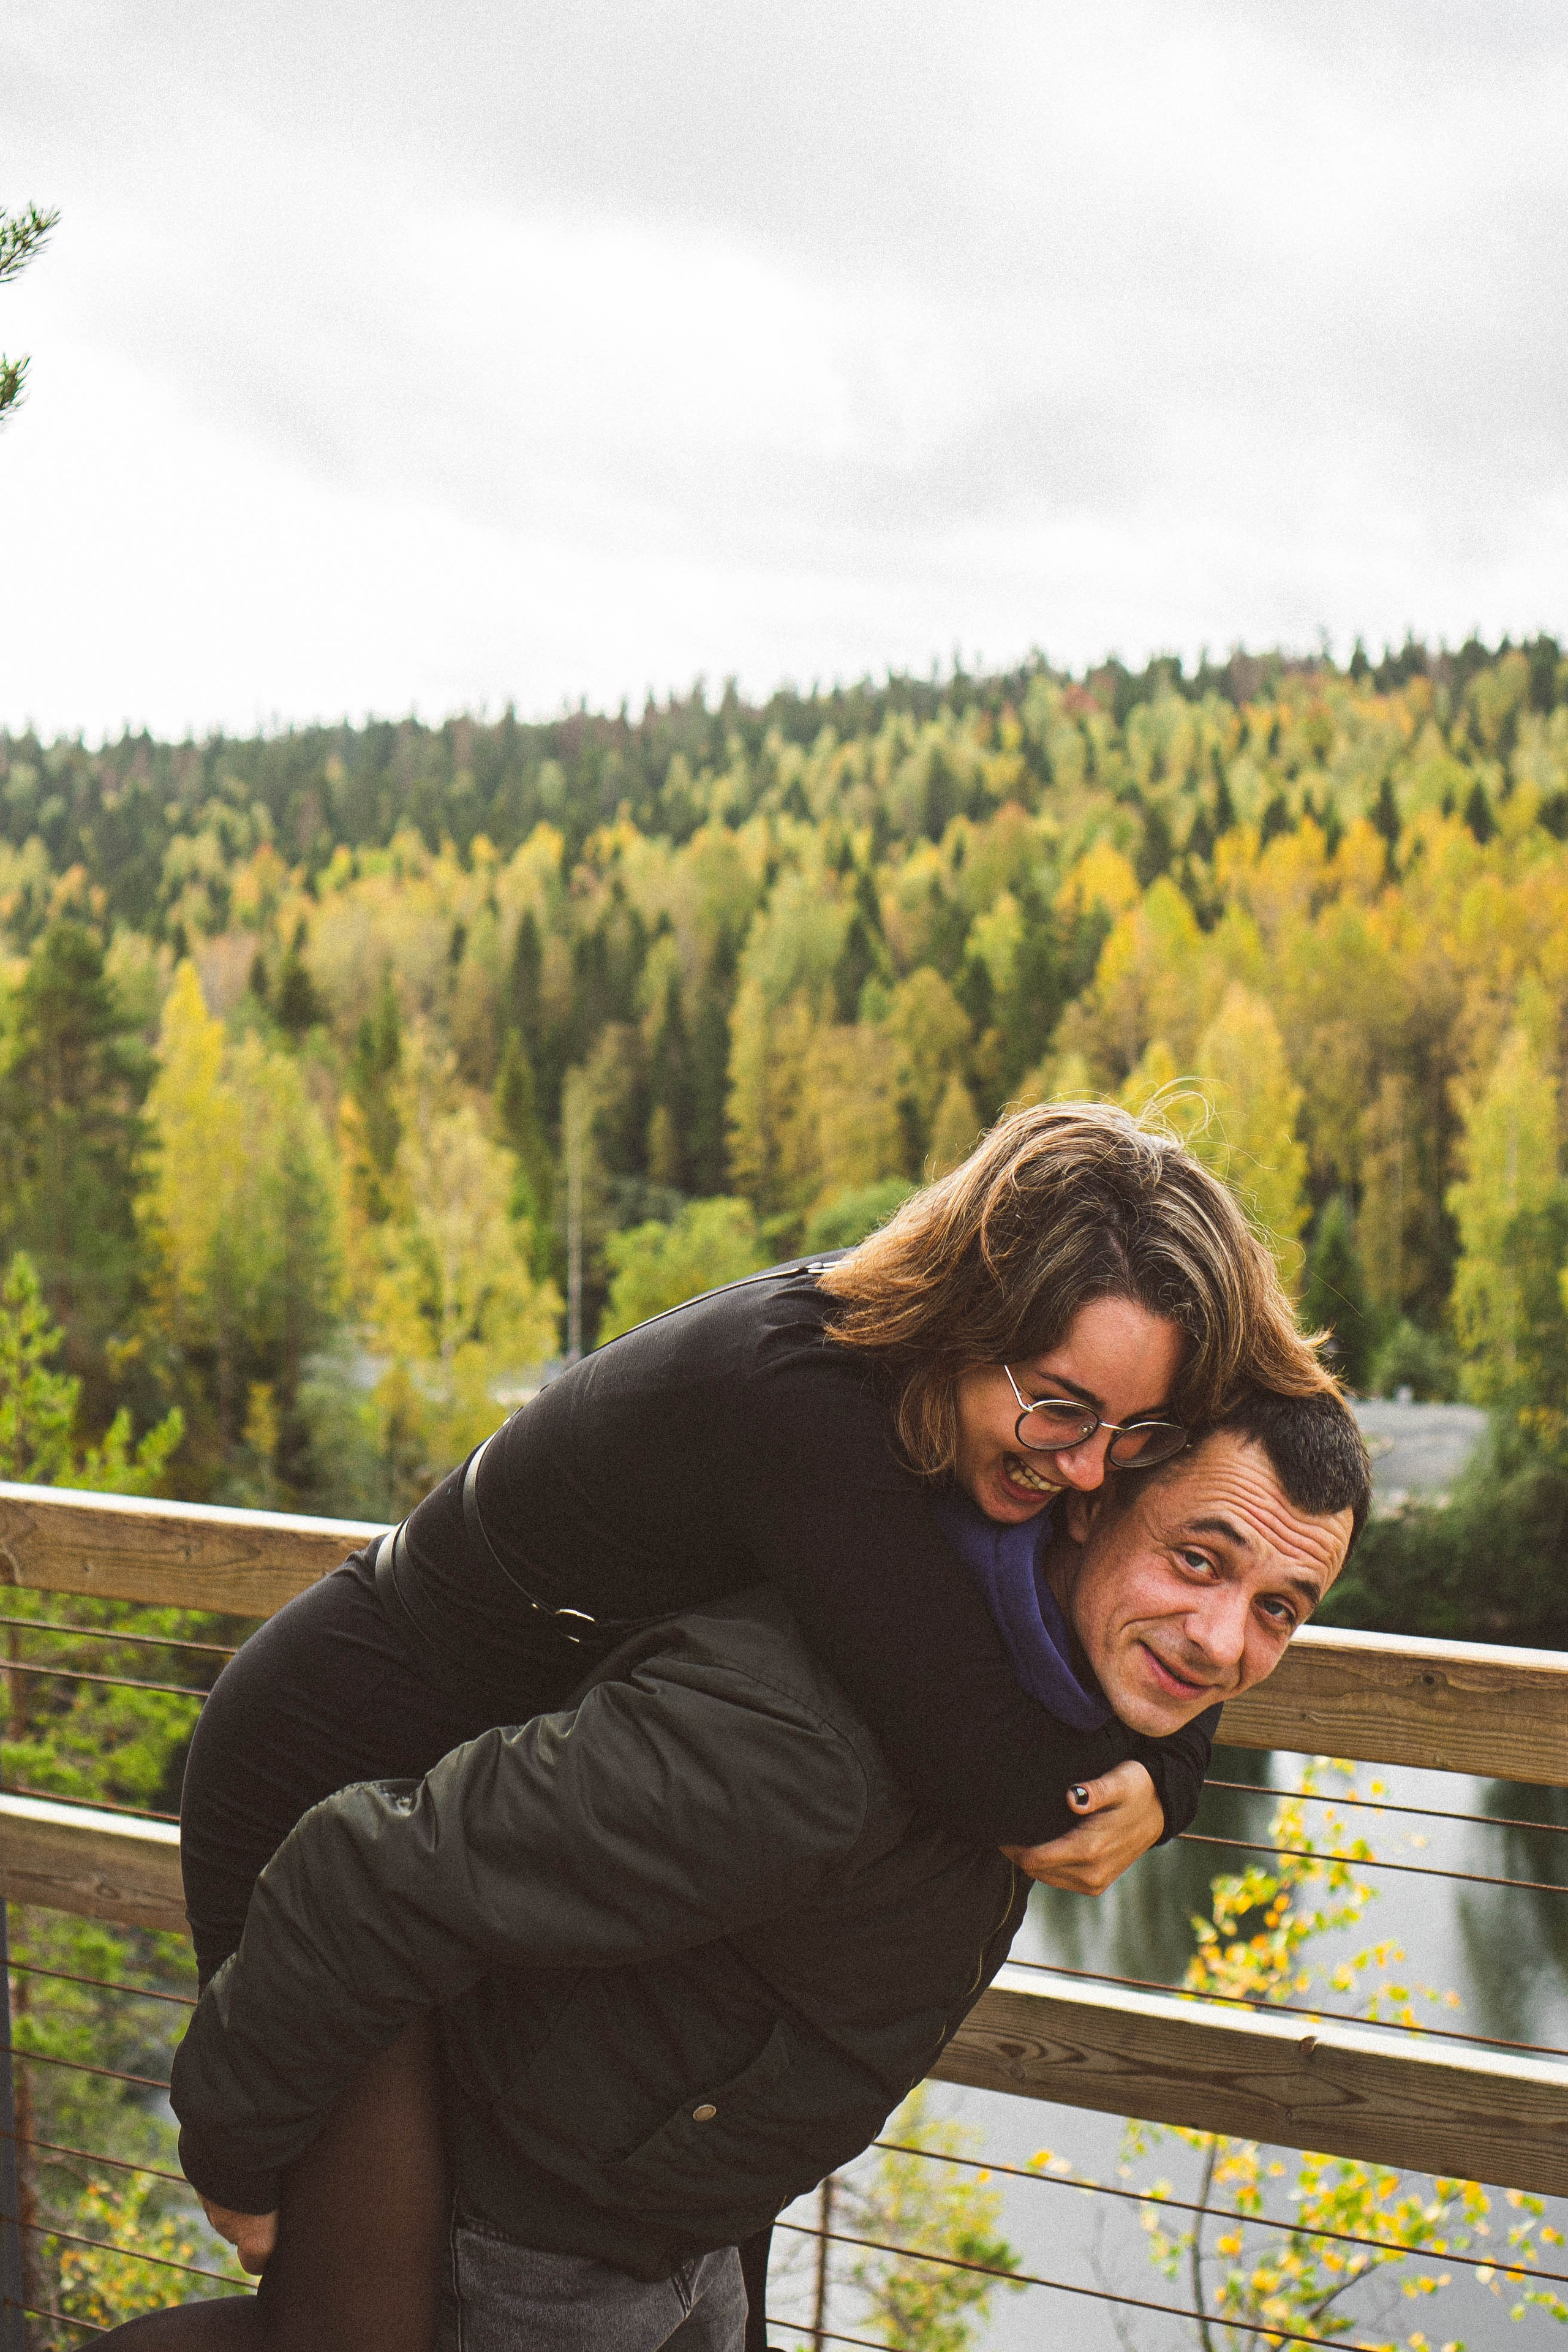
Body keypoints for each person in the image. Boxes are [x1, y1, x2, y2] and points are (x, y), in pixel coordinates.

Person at [157, 1102, 1338, 2350]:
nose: (1088, 1471)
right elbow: (989, 1768)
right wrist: (1166, 1765)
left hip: (506, 1809)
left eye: (1134, 1435)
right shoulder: (807, 1407)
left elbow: (1265, 1478)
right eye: (1057, 1410)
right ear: (969, 1313)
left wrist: (1174, 1734)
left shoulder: (956, 1423)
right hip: (340, 1758)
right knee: (357, 2324)